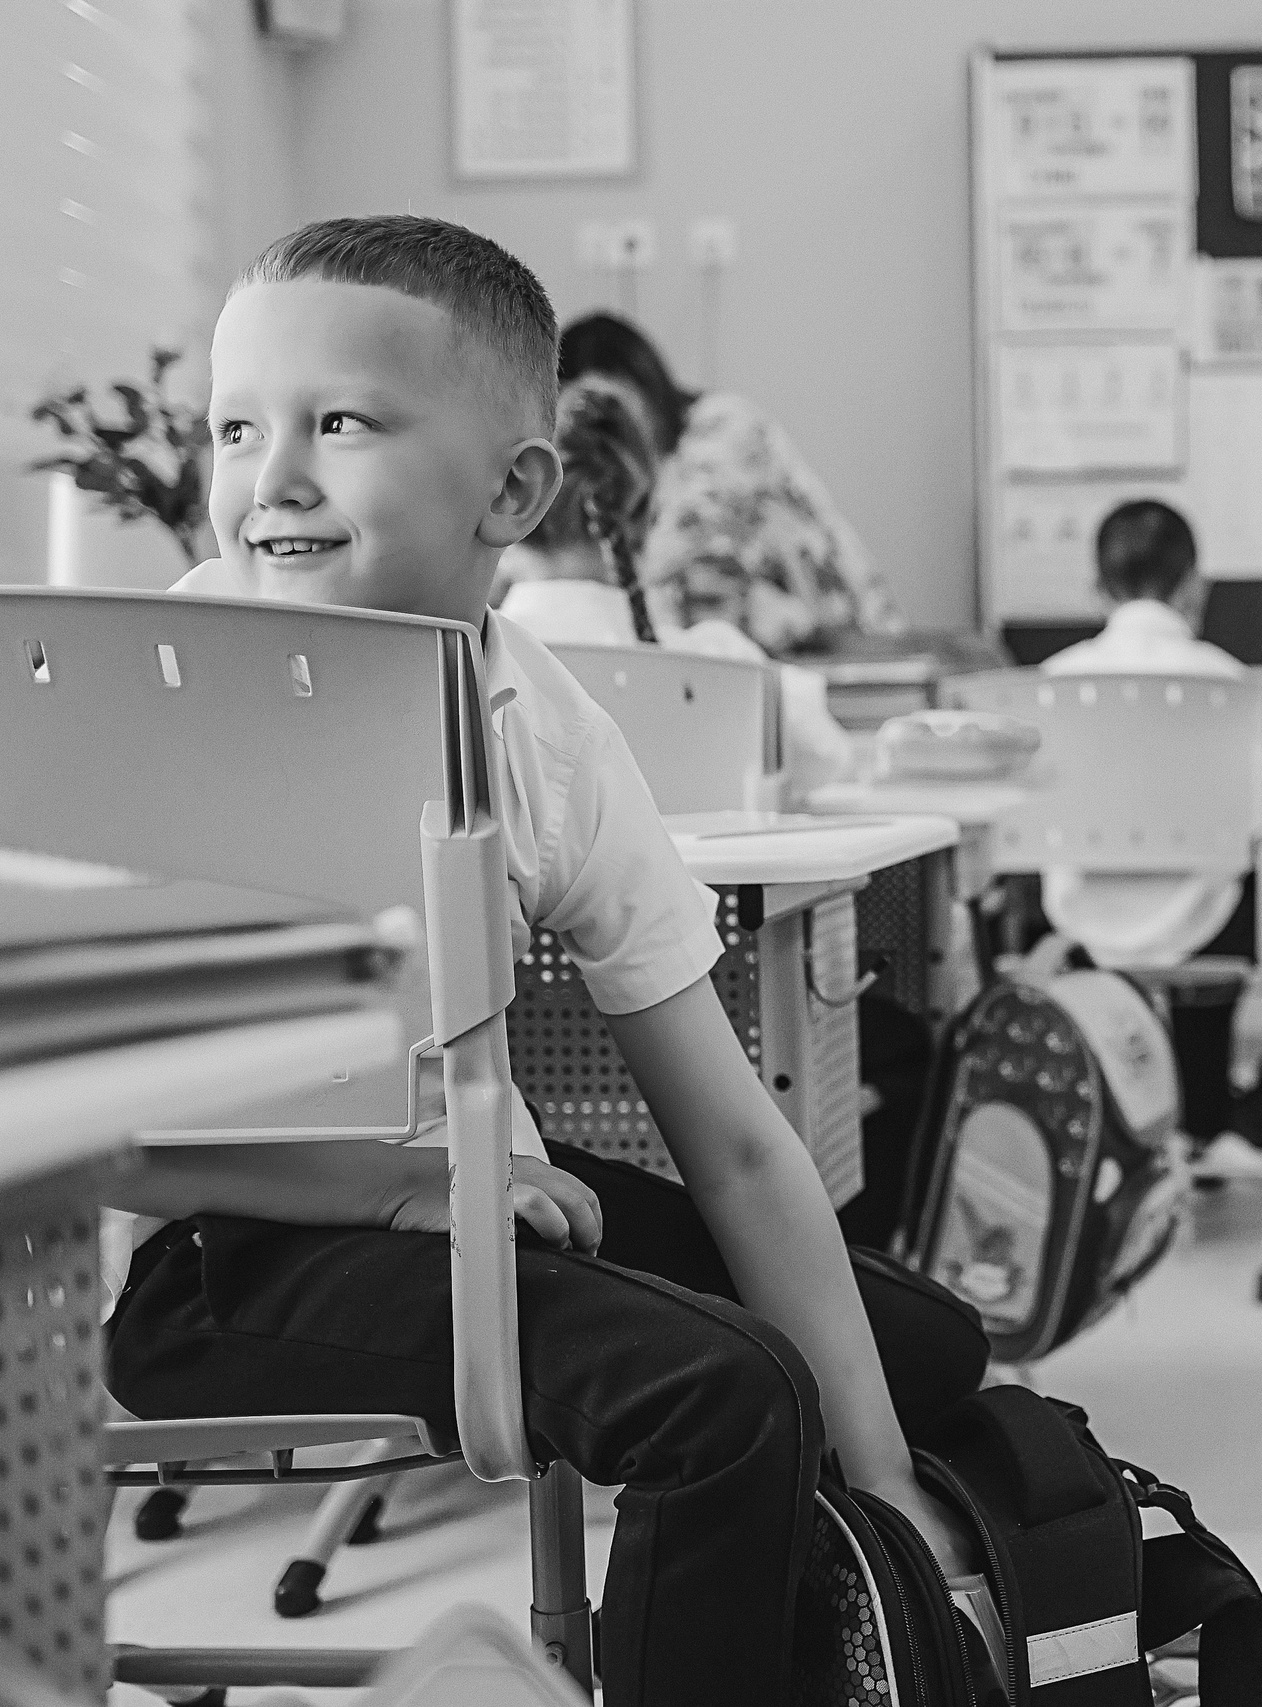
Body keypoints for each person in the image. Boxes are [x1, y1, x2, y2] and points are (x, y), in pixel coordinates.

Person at [105, 214, 982, 1706]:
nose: (274, 478)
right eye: (235, 427)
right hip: (222, 1255)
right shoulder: (140, 693)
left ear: (514, 488)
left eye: (339, 421)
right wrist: (391, 1181)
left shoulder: (547, 726)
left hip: (471, 1205)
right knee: (731, 1398)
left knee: (919, 1349)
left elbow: (742, 1147)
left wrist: (889, 1475)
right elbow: (95, 1133)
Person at [1040, 499, 1262, 1153]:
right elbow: (1259, 826)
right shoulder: (1229, 686)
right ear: (1193, 584)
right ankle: (1256, 1129)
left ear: (1096, 587)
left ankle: (1162, 1125)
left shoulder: (1053, 683)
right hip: (1202, 919)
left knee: (1220, 913)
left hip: (1078, 921)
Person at [496, 374, 862, 798]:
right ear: (647, 518)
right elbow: (830, 758)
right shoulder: (723, 665)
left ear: (520, 503)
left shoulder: (474, 666)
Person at [557, 311, 904, 654]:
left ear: (642, 384)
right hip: (783, 644)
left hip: (848, 634)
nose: (602, 425)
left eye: (610, 405)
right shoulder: (647, 464)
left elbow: (663, 551)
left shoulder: (723, 426)